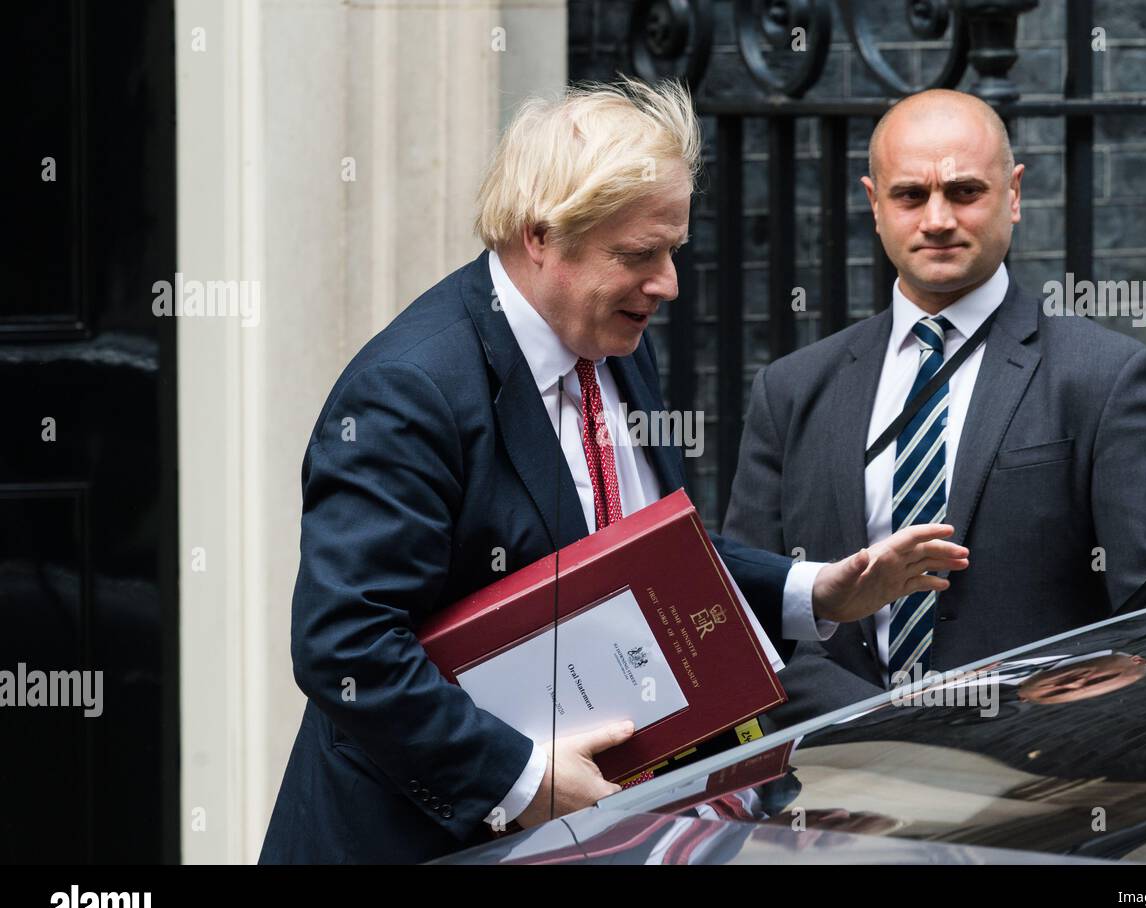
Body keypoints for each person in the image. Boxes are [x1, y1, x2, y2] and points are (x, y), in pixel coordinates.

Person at [258, 79, 969, 864]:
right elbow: (346, 645)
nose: (666, 282)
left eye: (671, 250)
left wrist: (814, 591)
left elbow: (643, 549)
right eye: (638, 254)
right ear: (540, 235)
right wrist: (523, 778)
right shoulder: (409, 389)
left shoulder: (614, 337)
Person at [722, 88, 1146, 731]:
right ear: (874, 204)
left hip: (1038, 783)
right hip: (834, 780)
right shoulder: (791, 390)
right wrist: (868, 728)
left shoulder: (1104, 376)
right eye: (911, 195)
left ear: (1014, 194)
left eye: (965, 191)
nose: (938, 218)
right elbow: (743, 611)